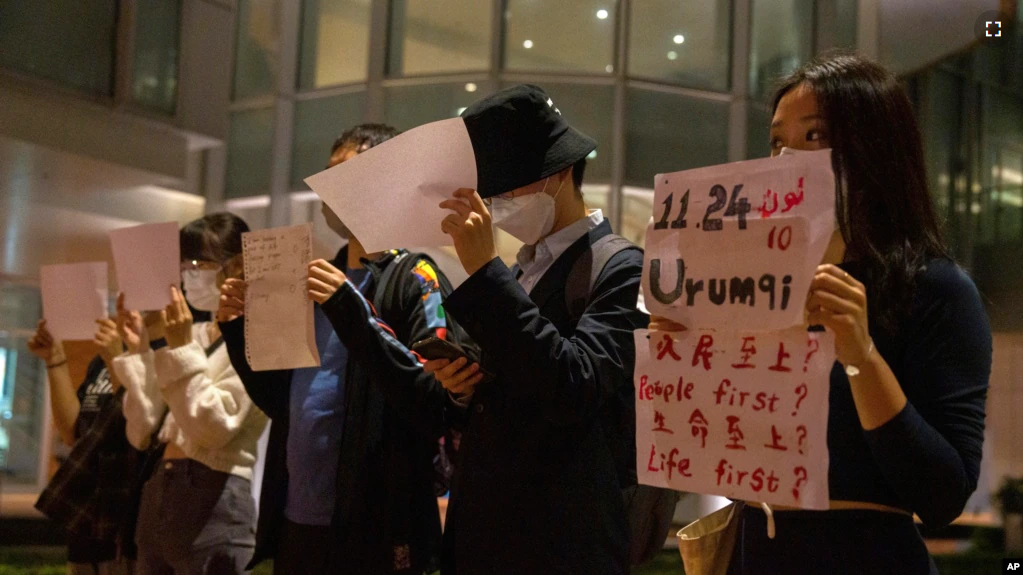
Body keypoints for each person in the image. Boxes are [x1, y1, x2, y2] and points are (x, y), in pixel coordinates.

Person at [654, 53, 991, 574]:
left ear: (874, 149)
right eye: (776, 140)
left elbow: (943, 496)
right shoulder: (750, 282)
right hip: (757, 552)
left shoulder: (936, 289)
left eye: (813, 137)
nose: (785, 157)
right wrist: (683, 363)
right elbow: (716, 455)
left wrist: (860, 355)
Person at [216, 123, 465, 574]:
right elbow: (282, 402)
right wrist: (238, 331)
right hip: (298, 519)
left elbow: (434, 402)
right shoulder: (310, 279)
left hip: (378, 525)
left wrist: (352, 312)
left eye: (348, 176)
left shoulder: (417, 279)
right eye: (329, 175)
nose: (331, 190)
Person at [427, 84, 649, 573]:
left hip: (560, 543)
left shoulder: (622, 268)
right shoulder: (524, 269)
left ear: (560, 171)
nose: (498, 203)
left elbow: (576, 386)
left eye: (508, 188)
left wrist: (486, 271)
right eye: (492, 191)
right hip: (490, 534)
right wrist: (464, 389)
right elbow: (515, 385)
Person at [112, 213, 267, 574]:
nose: (189, 275)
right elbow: (141, 429)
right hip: (162, 488)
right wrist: (139, 350)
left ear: (238, 265)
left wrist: (179, 348)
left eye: (199, 263)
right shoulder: (196, 333)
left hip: (215, 494)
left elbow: (213, 428)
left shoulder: (256, 336)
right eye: (184, 265)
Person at [30, 317, 140, 575]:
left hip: (124, 515)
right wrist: (54, 359)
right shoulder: (100, 361)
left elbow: (139, 423)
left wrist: (117, 360)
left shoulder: (149, 356)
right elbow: (72, 433)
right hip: (87, 513)